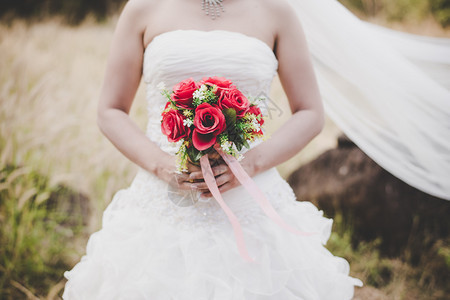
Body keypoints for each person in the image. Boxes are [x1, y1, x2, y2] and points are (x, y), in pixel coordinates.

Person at [63, 0, 363, 298]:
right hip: (162, 201)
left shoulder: (276, 11)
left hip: (249, 198)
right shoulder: (143, 7)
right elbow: (110, 109)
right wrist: (163, 166)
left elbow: (310, 112)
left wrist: (250, 165)